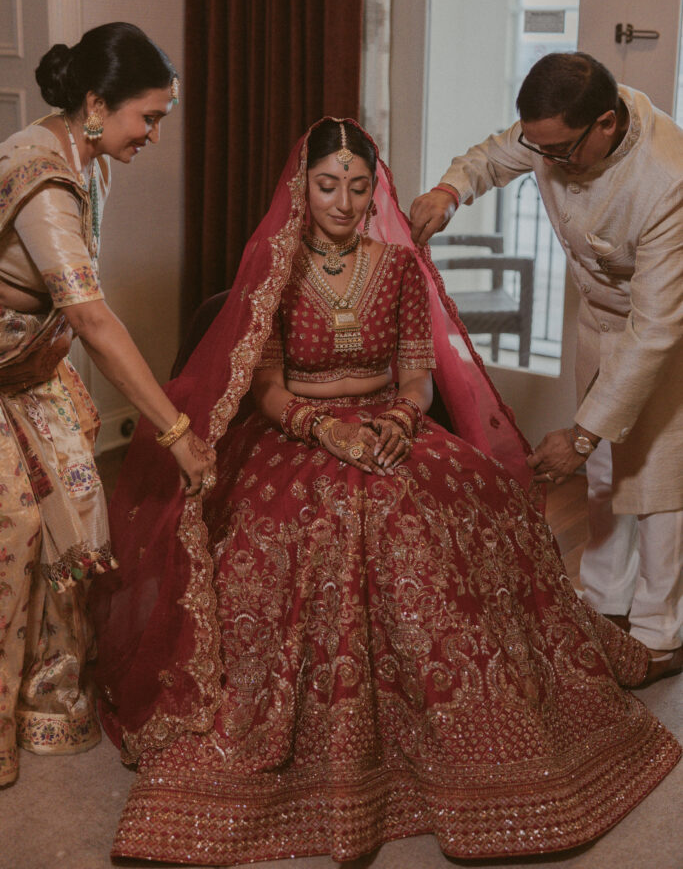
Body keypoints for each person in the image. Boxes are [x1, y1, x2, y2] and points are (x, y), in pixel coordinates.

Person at [92, 117, 679, 865]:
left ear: (378, 190)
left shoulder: (397, 266)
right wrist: (320, 428)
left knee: (465, 497)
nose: (341, 201)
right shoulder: (272, 266)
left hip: (387, 421)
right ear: (301, 188)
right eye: (327, 184)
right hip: (294, 430)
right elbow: (265, 383)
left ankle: (476, 724)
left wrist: (403, 416)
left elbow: (415, 369)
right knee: (306, 523)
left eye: (357, 186)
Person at [411, 52, 683, 685]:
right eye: (540, 148)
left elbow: (655, 329)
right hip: (600, 320)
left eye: (560, 151)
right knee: (606, 469)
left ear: (607, 126)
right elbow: (492, 158)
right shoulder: (553, 133)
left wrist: (582, 432)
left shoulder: (668, 180)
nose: (547, 162)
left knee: (660, 480)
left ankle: (661, 635)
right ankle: (603, 603)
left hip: (667, 329)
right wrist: (452, 190)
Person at [0, 22, 215, 787]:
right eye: (147, 117)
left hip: (28, 367)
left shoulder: (87, 159)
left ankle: (48, 700)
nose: (154, 134)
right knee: (17, 525)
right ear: (96, 104)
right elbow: (91, 317)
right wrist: (176, 430)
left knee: (79, 510)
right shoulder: (44, 172)